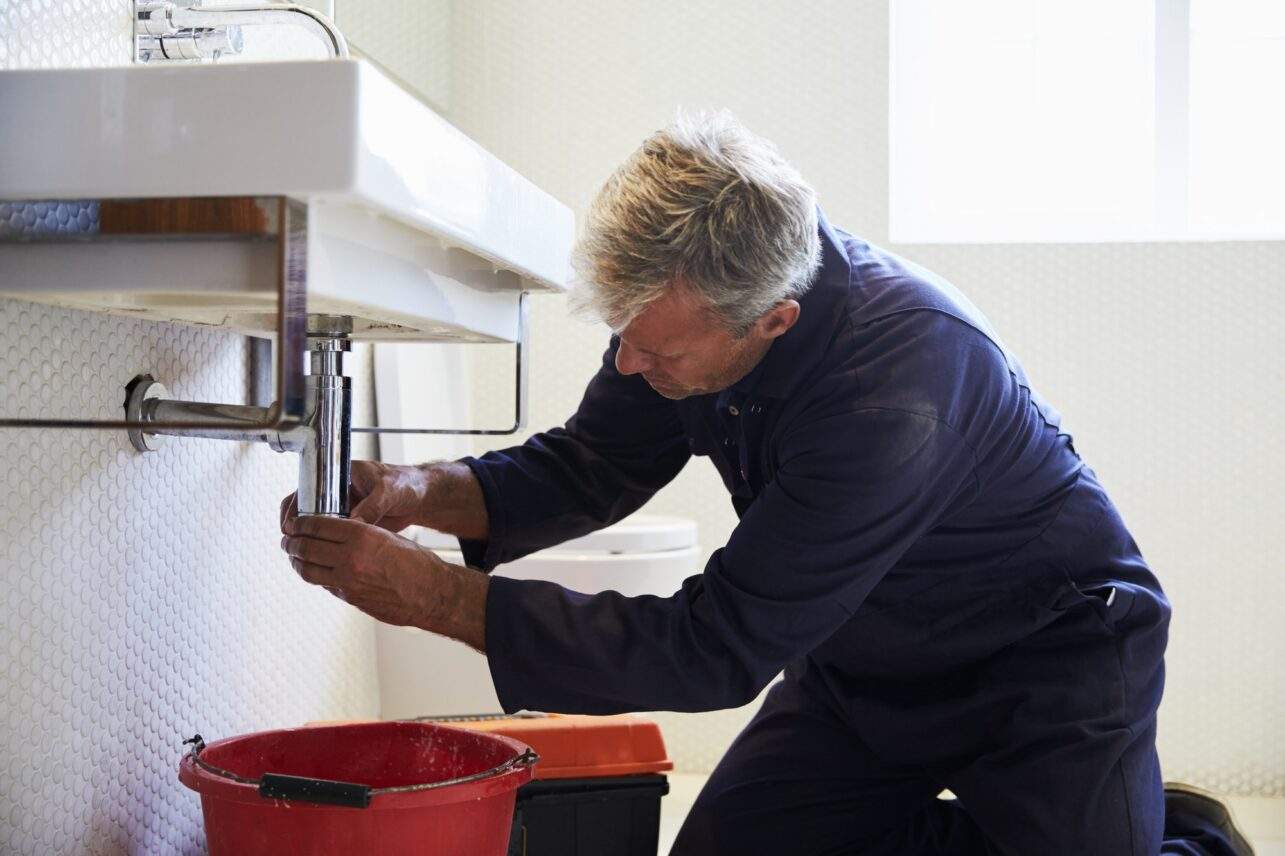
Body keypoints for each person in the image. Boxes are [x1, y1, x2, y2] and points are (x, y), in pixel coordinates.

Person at [279, 113, 1253, 855]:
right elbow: (590, 461)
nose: (625, 365)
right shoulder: (679, 320)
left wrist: (434, 596)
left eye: (653, 348)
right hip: (864, 663)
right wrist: (414, 487)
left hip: (1044, 663)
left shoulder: (899, 389)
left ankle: (1162, 832)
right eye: (619, 334)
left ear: (772, 323)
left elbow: (716, 646)